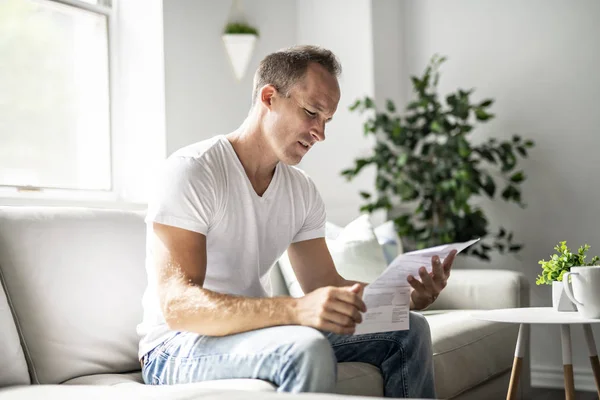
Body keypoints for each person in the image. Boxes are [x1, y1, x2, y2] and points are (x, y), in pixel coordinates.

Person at [137, 45, 457, 398]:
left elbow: (324, 284)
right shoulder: (194, 171)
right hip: (177, 347)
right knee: (303, 347)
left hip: (257, 334)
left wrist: (404, 297)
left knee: (409, 329)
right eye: (311, 113)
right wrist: (295, 309)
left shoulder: (300, 190)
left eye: (327, 120)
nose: (320, 133)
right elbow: (179, 308)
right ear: (269, 97)